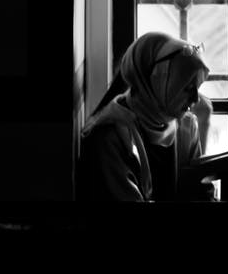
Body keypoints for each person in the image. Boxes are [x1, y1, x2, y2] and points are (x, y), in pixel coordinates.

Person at [78, 32, 215, 202]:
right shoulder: (109, 138)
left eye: (197, 87)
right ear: (158, 82)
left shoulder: (186, 126)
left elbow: (198, 190)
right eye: (186, 88)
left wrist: (204, 126)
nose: (195, 99)